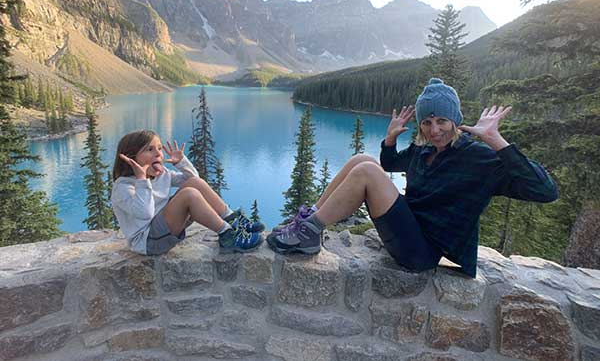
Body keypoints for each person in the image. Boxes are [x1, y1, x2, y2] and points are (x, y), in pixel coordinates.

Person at [267, 78, 559, 277]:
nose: (435, 130)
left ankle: (308, 232)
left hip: (423, 253)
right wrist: (390, 139)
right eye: (427, 122)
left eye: (442, 121)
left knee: (367, 170)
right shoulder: (424, 150)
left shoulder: (478, 158)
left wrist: (496, 140)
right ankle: (309, 222)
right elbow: (390, 165)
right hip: (409, 230)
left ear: (455, 121)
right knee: (362, 160)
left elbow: (545, 190)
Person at [111, 130, 264, 256]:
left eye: (159, 148)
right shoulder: (123, 187)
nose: (158, 154)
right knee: (188, 194)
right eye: (150, 149)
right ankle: (228, 236)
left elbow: (193, 179)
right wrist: (142, 180)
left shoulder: (161, 174)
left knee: (194, 184)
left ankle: (233, 221)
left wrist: (181, 162)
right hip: (148, 242)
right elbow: (144, 214)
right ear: (130, 158)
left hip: (163, 229)